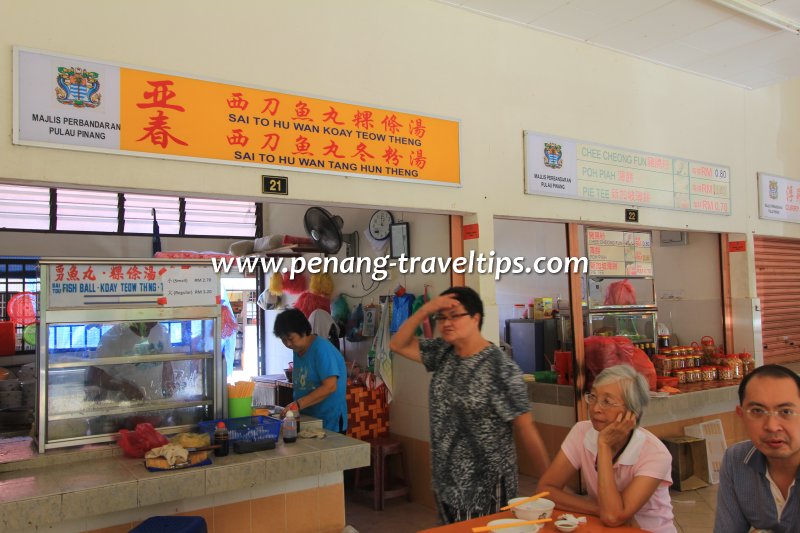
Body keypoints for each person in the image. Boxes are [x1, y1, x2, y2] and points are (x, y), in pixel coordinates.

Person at [389, 286, 550, 524]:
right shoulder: (443, 352)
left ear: (476, 318)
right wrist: (426, 309)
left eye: (455, 316)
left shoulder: (500, 368)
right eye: (441, 317)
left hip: (485, 489)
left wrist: (549, 480)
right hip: (445, 483)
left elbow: (526, 428)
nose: (446, 323)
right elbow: (397, 344)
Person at [537, 364, 675, 532]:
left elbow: (612, 517)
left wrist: (603, 446)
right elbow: (545, 490)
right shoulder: (581, 432)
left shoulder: (655, 454)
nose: (595, 408)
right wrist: (597, 509)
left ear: (632, 412)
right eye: (593, 397)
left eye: (607, 402)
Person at [714, 364, 800, 533]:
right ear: (741, 415)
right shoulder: (736, 459)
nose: (772, 426)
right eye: (757, 411)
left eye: (786, 411)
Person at [272, 308, 347, 433]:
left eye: (290, 338)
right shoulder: (298, 349)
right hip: (309, 419)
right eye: (284, 340)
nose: (288, 344)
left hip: (329, 421)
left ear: (302, 331)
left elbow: (330, 387)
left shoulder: (321, 349)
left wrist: (298, 404)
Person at [86, 321, 175, 401]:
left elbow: (166, 363)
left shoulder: (161, 331)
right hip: (123, 410)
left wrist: (169, 390)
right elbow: (95, 375)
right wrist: (123, 386)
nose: (151, 324)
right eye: (145, 322)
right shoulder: (113, 337)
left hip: (154, 405)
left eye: (154, 321)